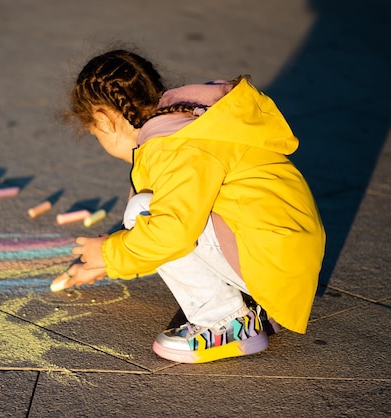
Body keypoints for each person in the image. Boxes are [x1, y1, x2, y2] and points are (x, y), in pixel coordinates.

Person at [51, 49, 325, 363]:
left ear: (105, 120)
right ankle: (254, 304)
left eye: (94, 133)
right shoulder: (187, 122)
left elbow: (171, 231)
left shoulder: (172, 148)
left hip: (273, 260)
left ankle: (224, 322)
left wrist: (111, 253)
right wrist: (104, 262)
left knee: (144, 211)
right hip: (283, 252)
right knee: (150, 215)